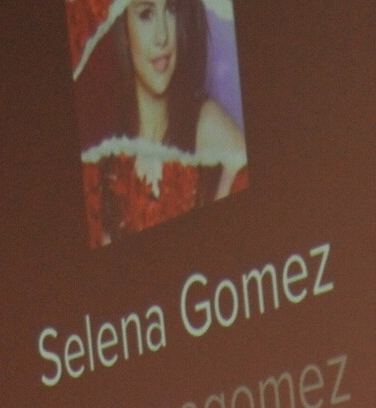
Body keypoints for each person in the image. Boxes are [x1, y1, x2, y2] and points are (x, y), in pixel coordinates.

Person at [73, 0, 248, 243]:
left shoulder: (211, 131)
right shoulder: (107, 161)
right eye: (146, 14)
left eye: (172, 10)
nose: (162, 36)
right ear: (122, 27)